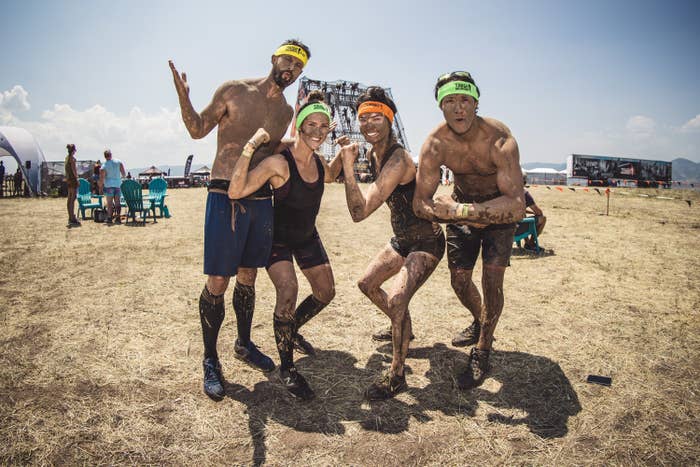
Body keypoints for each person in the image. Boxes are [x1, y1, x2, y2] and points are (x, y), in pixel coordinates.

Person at [169, 39, 310, 400]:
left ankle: (244, 344)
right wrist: (184, 97)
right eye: (288, 59)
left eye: (299, 65)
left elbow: (279, 152)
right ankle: (210, 359)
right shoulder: (233, 90)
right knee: (219, 280)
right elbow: (198, 128)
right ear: (274, 58)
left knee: (248, 275)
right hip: (222, 192)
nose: (291, 68)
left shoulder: (286, 113)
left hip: (260, 197)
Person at [413, 71, 525, 389]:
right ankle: (480, 321)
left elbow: (517, 206)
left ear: (476, 102)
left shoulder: (499, 139)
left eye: (465, 100)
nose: (459, 108)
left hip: (498, 213)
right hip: (462, 211)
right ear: (440, 107)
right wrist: (454, 211)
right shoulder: (435, 144)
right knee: (460, 281)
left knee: (492, 283)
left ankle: (483, 349)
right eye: (450, 101)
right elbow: (420, 203)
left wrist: (463, 211)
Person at [228, 92, 343, 401]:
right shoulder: (280, 162)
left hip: (306, 236)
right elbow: (236, 189)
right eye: (312, 124)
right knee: (288, 290)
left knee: (326, 292)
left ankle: (291, 329)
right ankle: (288, 369)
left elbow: (330, 176)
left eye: (323, 126)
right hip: (276, 239)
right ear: (299, 126)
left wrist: (345, 155)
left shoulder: (319, 162)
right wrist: (251, 146)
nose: (318, 131)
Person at [339, 87, 445, 400]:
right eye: (363, 119)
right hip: (402, 240)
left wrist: (347, 166)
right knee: (366, 283)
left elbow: (360, 212)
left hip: (426, 241)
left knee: (398, 300)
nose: (368, 124)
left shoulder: (398, 159)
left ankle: (397, 375)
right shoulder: (373, 154)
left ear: (389, 120)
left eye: (376, 117)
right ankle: (403, 328)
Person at [98, 149, 126, 224]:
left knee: (109, 203)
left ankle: (109, 217)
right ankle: (118, 217)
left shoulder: (104, 165)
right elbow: (123, 174)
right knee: (118, 203)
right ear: (111, 155)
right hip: (117, 184)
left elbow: (102, 178)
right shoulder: (118, 162)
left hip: (109, 185)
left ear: (104, 156)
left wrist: (100, 187)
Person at [64, 144, 81, 227]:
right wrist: (77, 179)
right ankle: (72, 217)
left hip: (68, 180)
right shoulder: (72, 159)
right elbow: (74, 170)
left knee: (69, 198)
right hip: (73, 180)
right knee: (72, 199)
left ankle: (70, 216)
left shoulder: (66, 158)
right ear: (73, 150)